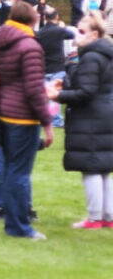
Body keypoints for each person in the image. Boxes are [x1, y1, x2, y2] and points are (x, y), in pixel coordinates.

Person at [0, 0, 53, 239]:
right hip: (24, 117)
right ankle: (20, 226)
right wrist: (47, 123)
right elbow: (34, 89)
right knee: (20, 173)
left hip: (4, 111)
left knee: (10, 169)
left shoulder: (0, 41)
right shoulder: (29, 45)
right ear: (32, 19)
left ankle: (11, 221)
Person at [47, 14, 113, 229]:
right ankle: (108, 217)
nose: (77, 35)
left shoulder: (91, 57)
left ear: (94, 34)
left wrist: (57, 96)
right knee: (103, 168)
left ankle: (94, 218)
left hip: (91, 118)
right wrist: (67, 80)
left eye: (82, 31)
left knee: (91, 167)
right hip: (103, 114)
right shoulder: (103, 54)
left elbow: (86, 92)